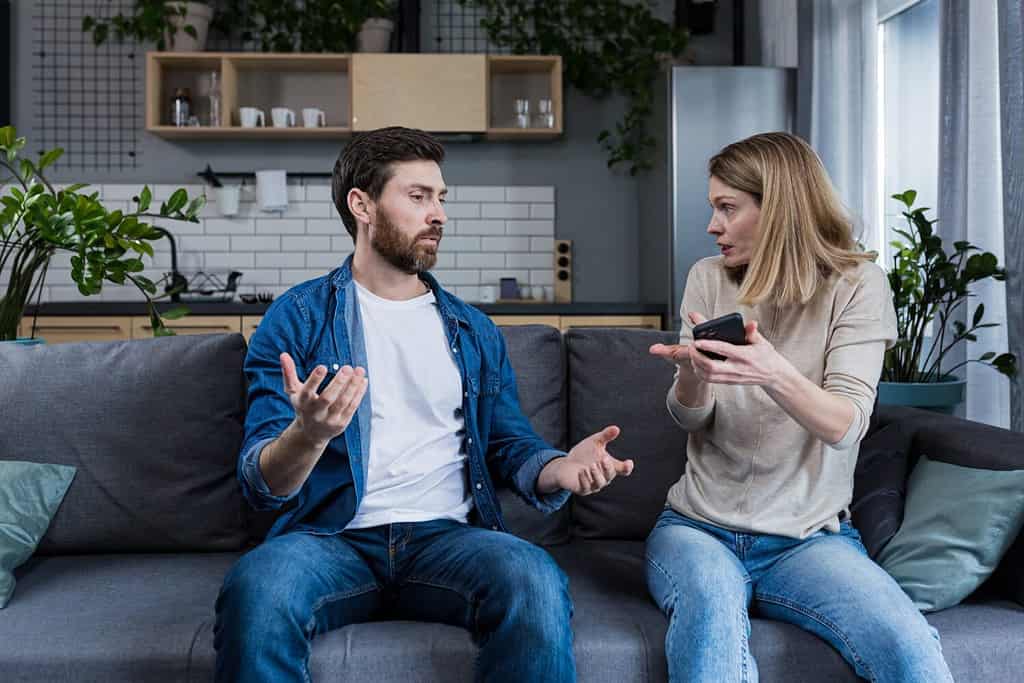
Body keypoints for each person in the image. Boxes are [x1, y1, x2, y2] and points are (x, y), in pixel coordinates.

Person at [214, 126, 635, 682]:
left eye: (440, 198)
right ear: (361, 205)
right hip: (329, 540)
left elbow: (509, 445)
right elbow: (261, 482)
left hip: (449, 540)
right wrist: (309, 434)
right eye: (418, 197)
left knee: (533, 578)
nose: (438, 213)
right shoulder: (298, 319)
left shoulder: (472, 329)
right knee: (258, 588)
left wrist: (561, 468)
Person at [645, 132, 954, 683]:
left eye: (727, 208)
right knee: (712, 624)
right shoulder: (707, 278)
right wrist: (691, 374)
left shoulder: (858, 285)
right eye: (713, 207)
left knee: (911, 652)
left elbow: (846, 425)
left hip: (809, 540)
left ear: (779, 208)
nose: (713, 225)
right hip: (697, 529)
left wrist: (772, 370)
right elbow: (692, 417)